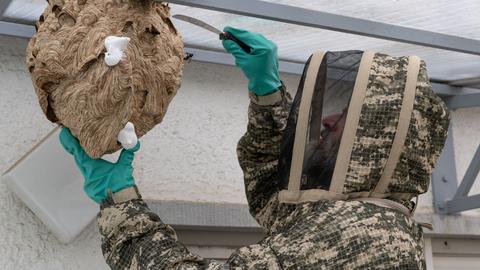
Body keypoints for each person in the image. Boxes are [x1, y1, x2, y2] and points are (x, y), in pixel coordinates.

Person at [60, 27, 450, 269]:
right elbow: (273, 196)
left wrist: (121, 201)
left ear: (375, 141)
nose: (328, 120)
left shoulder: (364, 234)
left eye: (344, 116)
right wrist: (267, 95)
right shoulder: (363, 217)